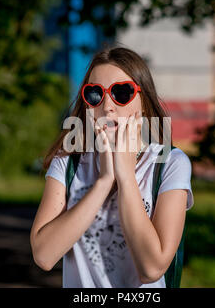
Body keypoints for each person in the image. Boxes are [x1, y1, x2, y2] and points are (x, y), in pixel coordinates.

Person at [30, 46, 194, 288]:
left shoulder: (169, 164)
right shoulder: (67, 163)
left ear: (144, 103)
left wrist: (126, 176)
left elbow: (151, 268)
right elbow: (44, 256)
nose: (107, 106)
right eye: (95, 94)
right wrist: (103, 182)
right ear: (87, 106)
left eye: (122, 92)